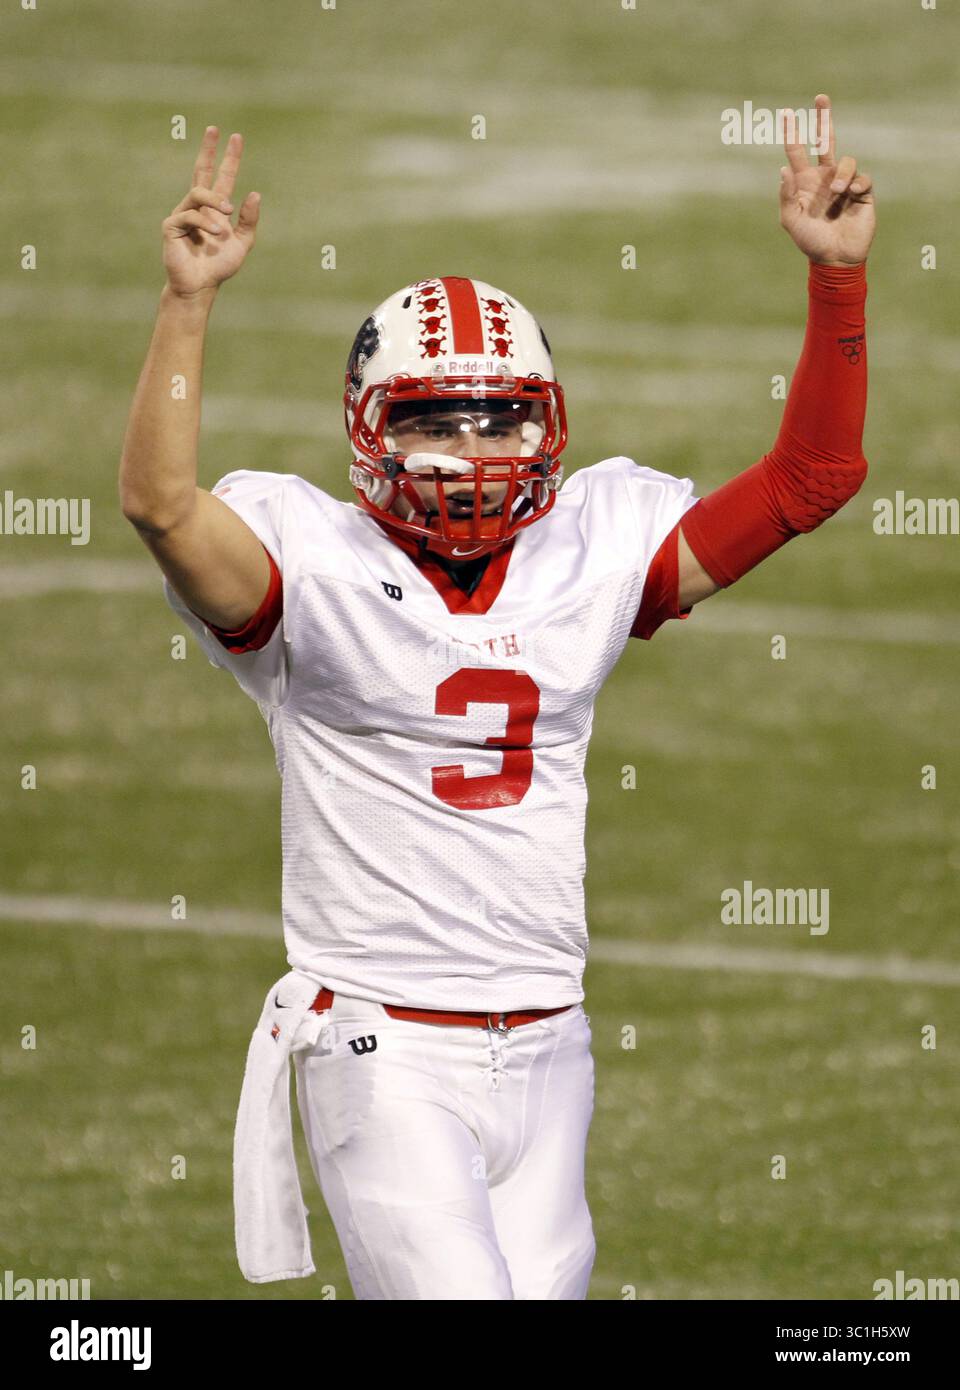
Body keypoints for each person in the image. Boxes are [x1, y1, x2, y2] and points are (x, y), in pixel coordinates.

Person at [119, 95, 875, 1300]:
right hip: (385, 1043)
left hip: (550, 1039)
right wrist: (188, 300)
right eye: (439, 423)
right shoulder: (303, 566)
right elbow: (162, 504)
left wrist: (838, 281)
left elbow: (813, 477)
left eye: (501, 417)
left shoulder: (596, 549)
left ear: (549, 420)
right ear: (372, 430)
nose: (473, 450)